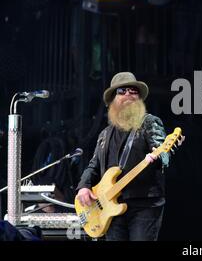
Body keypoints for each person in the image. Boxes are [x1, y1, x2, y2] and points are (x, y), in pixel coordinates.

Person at [76, 72, 183, 241]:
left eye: (133, 91)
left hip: (144, 205)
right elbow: (93, 166)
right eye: (122, 91)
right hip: (109, 207)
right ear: (112, 100)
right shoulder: (105, 134)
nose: (128, 94)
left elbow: (163, 152)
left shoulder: (149, 122)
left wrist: (163, 155)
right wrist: (84, 186)